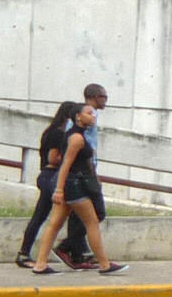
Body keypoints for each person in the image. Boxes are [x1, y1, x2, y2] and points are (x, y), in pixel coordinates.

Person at [27, 100, 127, 275]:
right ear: (78, 117)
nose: (93, 115)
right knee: (92, 222)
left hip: (69, 185)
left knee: (55, 224)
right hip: (74, 186)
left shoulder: (75, 135)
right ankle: (104, 265)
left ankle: (40, 264)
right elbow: (65, 165)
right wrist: (58, 190)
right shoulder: (77, 138)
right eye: (89, 113)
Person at [16, 101, 93, 269]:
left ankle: (26, 253)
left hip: (48, 176)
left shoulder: (53, 131)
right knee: (71, 211)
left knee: (42, 215)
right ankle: (73, 251)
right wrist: (71, 156)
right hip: (50, 174)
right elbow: (52, 158)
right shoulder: (57, 134)